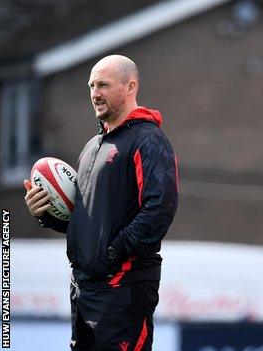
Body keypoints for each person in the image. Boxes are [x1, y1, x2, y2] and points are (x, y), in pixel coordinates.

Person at [24, 55, 178, 351]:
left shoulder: (149, 140)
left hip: (123, 288)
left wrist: (112, 254)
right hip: (84, 290)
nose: (95, 93)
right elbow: (88, 220)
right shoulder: (91, 148)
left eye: (104, 85)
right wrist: (46, 213)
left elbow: (160, 209)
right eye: (92, 85)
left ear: (130, 86)